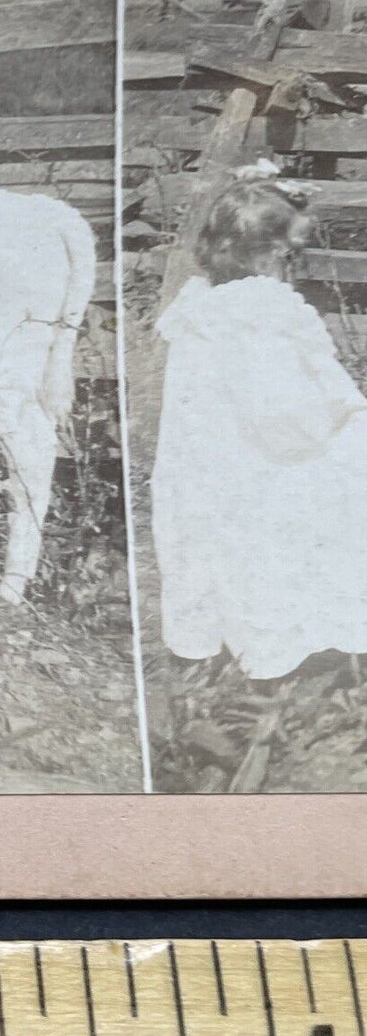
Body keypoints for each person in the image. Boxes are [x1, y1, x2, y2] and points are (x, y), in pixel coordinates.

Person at [153, 163, 367, 679]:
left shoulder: (199, 305)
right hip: (266, 458)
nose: (296, 262)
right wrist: (346, 410)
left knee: (215, 544)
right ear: (273, 254)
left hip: (208, 463)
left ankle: (210, 643)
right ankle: (291, 650)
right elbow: (284, 411)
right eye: (296, 250)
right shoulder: (267, 311)